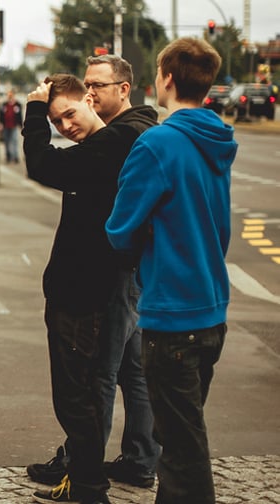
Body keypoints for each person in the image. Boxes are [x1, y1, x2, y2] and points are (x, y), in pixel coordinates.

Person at [106, 37, 237, 504]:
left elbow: (120, 231)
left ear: (165, 78)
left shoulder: (157, 143)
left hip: (170, 316)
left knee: (182, 452)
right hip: (211, 311)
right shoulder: (218, 138)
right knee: (181, 437)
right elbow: (219, 228)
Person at [28, 54, 162, 492]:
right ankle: (138, 459)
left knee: (96, 378)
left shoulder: (121, 138)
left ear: (123, 89)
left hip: (108, 279)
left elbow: (43, 166)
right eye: (88, 84)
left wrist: (34, 111)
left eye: (98, 86)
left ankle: (82, 473)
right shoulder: (127, 133)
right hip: (126, 273)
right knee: (131, 371)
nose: (91, 92)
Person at [0, 89, 23, 164]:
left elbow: (20, 115)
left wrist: (20, 125)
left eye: (11, 95)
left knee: (14, 141)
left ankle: (15, 156)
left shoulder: (17, 105)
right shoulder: (4, 104)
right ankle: (8, 156)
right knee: (7, 141)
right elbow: (1, 115)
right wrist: (1, 124)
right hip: (6, 125)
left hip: (14, 125)